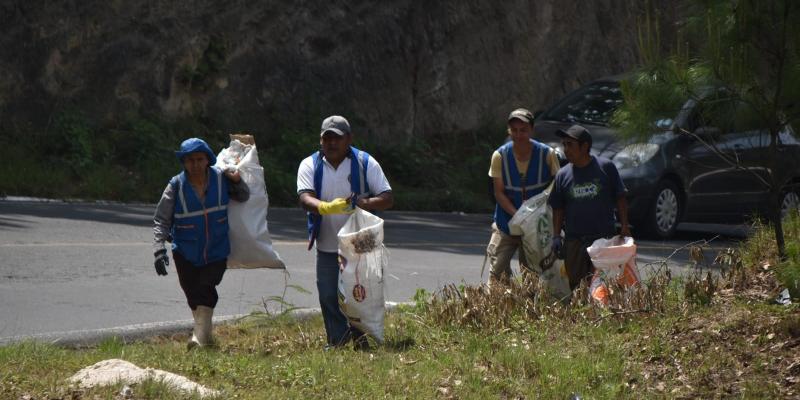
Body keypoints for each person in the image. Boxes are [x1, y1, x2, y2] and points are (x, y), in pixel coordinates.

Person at [297, 115, 393, 349]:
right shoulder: (310, 164)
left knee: (359, 295)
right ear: (321, 140)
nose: (331, 143)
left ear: (348, 139)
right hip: (327, 244)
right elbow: (304, 197)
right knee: (328, 295)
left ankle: (361, 338)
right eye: (327, 138)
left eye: (337, 138)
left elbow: (387, 197)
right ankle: (337, 340)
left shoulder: (365, 162)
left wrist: (365, 202)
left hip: (360, 245)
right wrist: (324, 206)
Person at [153, 137, 250, 348]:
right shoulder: (175, 186)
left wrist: (236, 180)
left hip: (217, 249)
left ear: (208, 160)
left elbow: (244, 196)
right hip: (185, 251)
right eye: (190, 160)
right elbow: (161, 219)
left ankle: (199, 336)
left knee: (206, 287)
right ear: (183, 163)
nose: (195, 165)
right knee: (192, 293)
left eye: (199, 159)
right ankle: (204, 333)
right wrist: (159, 250)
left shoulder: (221, 178)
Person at [548, 124, 631, 290]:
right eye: (564, 145)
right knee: (577, 287)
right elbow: (558, 207)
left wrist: (624, 225)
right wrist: (556, 236)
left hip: (603, 239)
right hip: (574, 241)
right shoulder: (562, 175)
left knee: (603, 286)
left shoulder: (606, 168)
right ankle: (580, 316)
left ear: (584, 146)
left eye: (570, 144)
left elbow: (620, 197)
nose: (565, 149)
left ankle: (602, 315)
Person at [485, 108, 561, 287]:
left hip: (536, 227)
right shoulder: (499, 156)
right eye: (514, 130)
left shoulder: (547, 154)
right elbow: (499, 193)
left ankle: (529, 308)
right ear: (509, 131)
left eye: (523, 130)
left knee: (532, 275)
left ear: (531, 130)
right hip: (507, 223)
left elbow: (558, 185)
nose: (518, 135)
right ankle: (500, 306)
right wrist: (519, 216)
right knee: (496, 272)